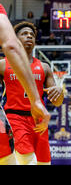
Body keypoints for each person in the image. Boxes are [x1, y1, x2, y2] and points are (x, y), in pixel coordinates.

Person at [1, 21, 62, 165]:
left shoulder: (45, 67)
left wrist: (59, 91)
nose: (29, 36)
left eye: (32, 35)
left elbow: (57, 102)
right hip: (15, 118)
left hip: (39, 121)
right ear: (15, 40)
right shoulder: (3, 65)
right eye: (24, 34)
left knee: (43, 163)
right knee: (28, 161)